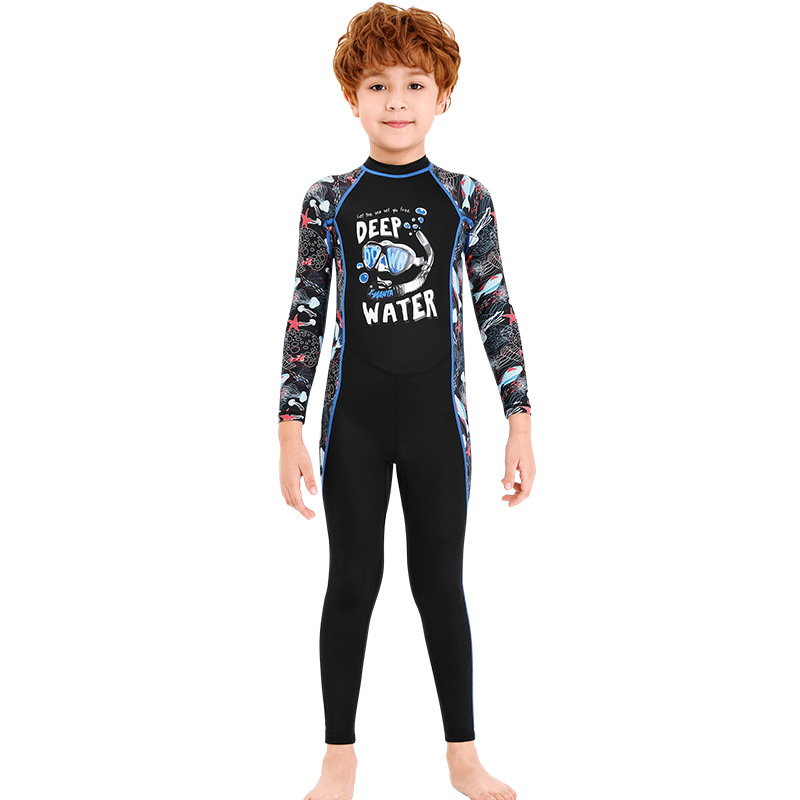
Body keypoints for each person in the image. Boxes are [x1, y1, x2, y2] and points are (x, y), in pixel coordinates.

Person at [278, 4, 535, 799]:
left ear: (443, 95)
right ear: (351, 97)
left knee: (439, 585)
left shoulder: (465, 196)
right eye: (378, 84)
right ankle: (339, 758)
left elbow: (495, 308)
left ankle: (463, 756)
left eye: (415, 84)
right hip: (351, 423)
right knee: (352, 582)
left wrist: (520, 420)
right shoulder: (329, 199)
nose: (396, 100)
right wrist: (288, 425)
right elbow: (306, 314)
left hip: (437, 427)